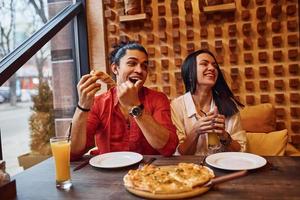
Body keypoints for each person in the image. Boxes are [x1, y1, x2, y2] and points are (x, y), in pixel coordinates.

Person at [70, 42, 178, 160]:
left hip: (147, 173)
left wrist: (135, 106)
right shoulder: (99, 103)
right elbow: (73, 153)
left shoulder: (158, 99)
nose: (139, 70)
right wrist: (82, 107)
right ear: (115, 68)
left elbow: (169, 148)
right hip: (108, 172)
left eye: (144, 66)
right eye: (132, 63)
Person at [171, 49, 246, 155]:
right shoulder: (177, 106)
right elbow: (179, 153)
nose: (212, 68)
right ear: (190, 72)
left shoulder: (228, 105)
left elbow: (241, 150)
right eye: (204, 64)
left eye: (214, 65)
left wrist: (224, 136)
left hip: (221, 167)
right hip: (190, 169)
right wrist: (196, 131)